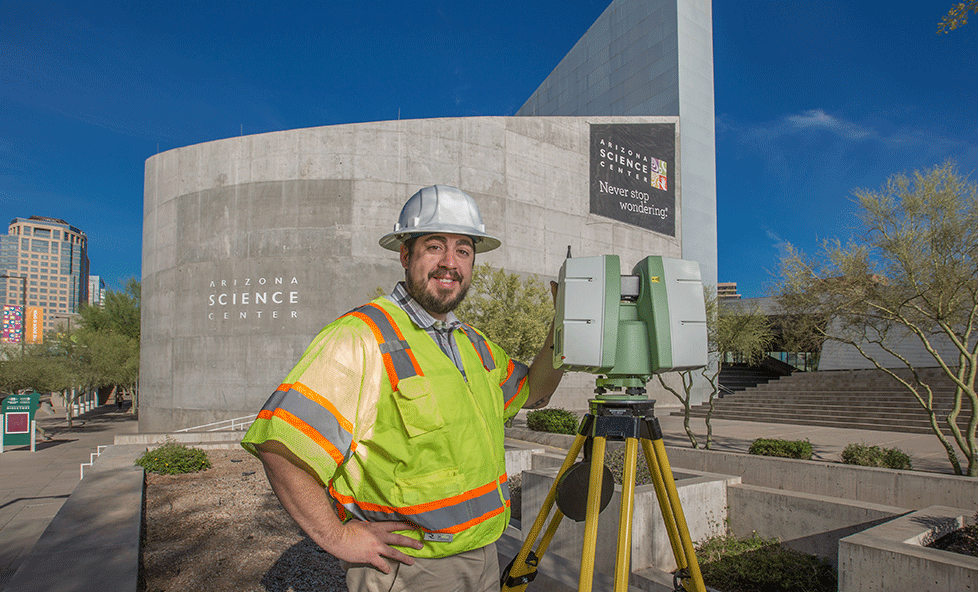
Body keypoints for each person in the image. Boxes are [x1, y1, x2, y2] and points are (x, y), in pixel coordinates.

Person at [241, 185, 565, 592]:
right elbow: (282, 448)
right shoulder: (360, 337)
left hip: (484, 557)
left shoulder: (474, 344)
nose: (450, 263)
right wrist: (339, 539)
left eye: (463, 250)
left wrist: (566, 322)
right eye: (434, 246)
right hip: (411, 572)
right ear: (405, 255)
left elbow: (535, 391)